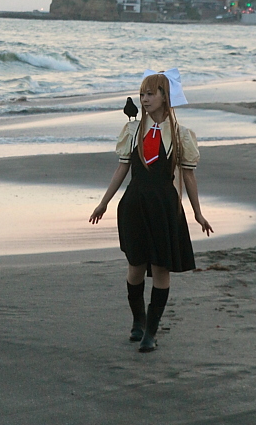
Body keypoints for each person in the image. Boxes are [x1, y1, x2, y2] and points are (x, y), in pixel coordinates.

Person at [89, 69, 213, 352]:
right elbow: (121, 169)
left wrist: (197, 213)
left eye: (149, 94)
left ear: (164, 96)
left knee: (160, 268)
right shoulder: (133, 131)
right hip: (134, 205)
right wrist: (104, 202)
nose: (144, 99)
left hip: (165, 207)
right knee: (135, 266)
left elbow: (189, 177)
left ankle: (151, 332)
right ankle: (138, 320)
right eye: (141, 94)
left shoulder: (181, 134)